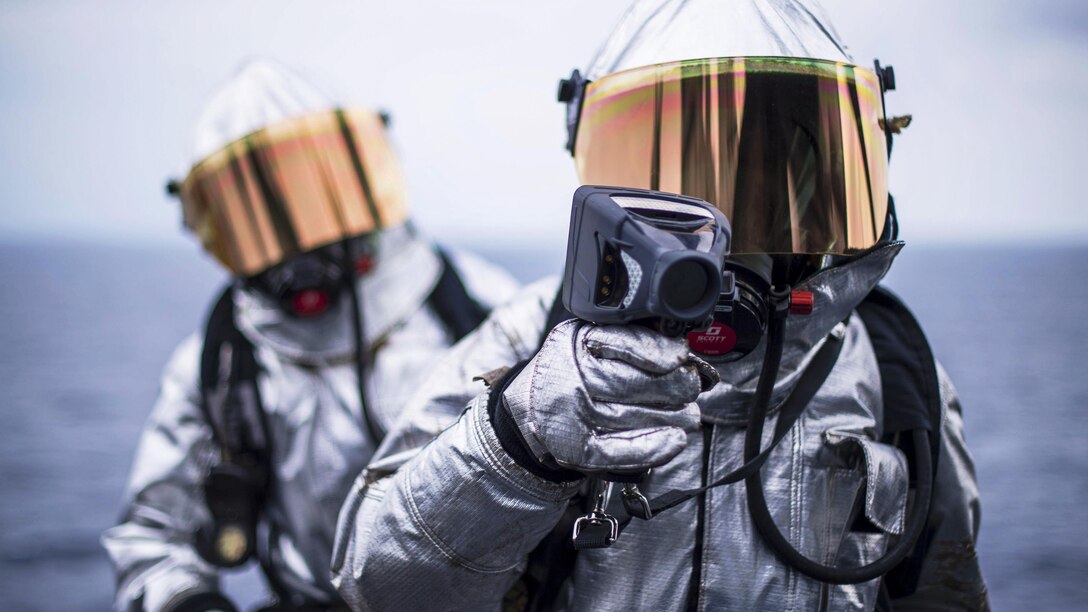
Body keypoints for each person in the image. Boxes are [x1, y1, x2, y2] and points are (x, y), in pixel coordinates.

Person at [331, 1, 988, 610]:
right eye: (681, 183)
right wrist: (518, 444)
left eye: (767, 182)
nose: (729, 229)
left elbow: (944, 589)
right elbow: (377, 583)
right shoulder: (534, 342)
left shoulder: (895, 375)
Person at [102, 60, 520, 612]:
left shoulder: (483, 312)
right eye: (255, 215)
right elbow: (153, 538)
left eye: (306, 197)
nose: (292, 240)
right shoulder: (223, 362)